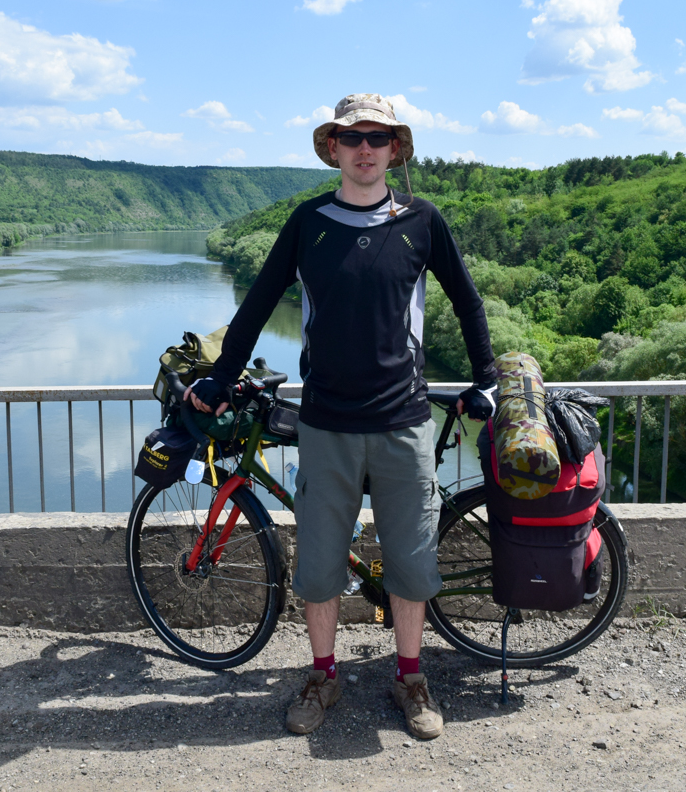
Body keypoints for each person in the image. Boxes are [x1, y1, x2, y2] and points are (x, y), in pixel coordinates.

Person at [187, 93, 496, 739]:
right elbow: (257, 303)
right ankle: (323, 676)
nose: (365, 149)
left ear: (393, 149)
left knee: (411, 564)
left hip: (403, 420)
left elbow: (467, 303)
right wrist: (219, 378)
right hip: (325, 422)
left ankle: (410, 677)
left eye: (378, 138)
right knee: (321, 565)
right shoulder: (309, 222)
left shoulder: (422, 221)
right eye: (353, 138)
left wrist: (486, 380)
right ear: (334, 147)